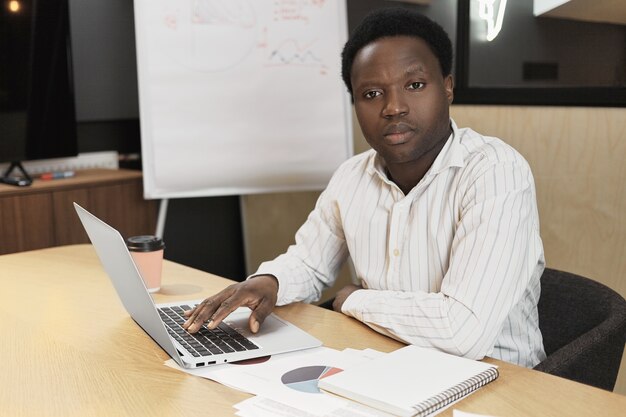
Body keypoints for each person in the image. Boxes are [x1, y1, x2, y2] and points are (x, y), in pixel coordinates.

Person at [184, 8, 546, 367]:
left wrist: (353, 300)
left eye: (415, 85)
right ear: (355, 103)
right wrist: (269, 281)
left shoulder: (496, 172)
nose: (394, 107)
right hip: (388, 364)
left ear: (448, 87)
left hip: (500, 379)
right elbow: (310, 264)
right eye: (372, 94)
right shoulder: (352, 176)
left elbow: (462, 330)